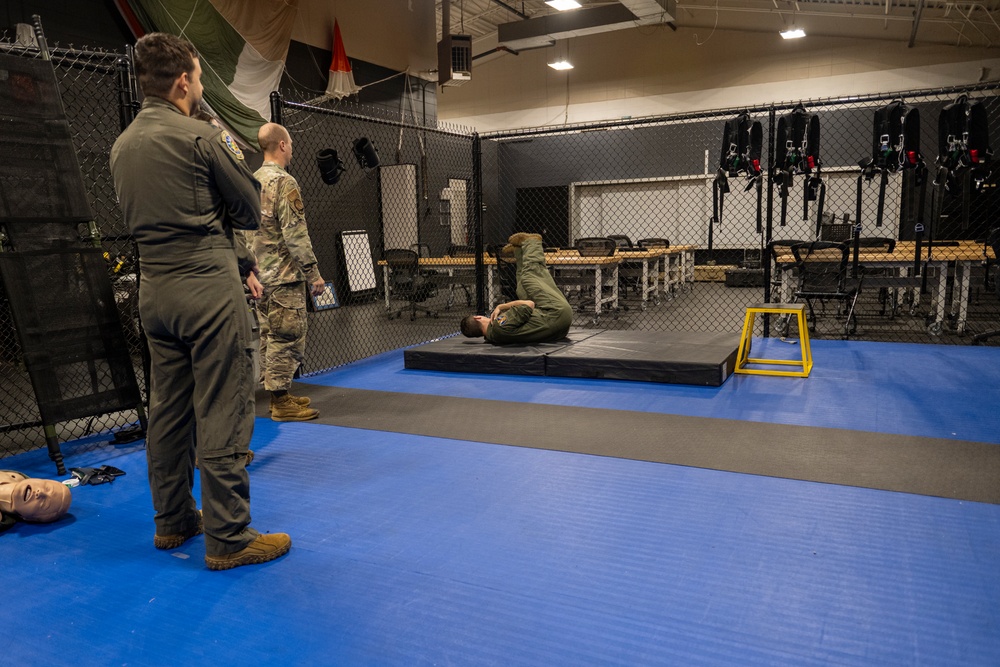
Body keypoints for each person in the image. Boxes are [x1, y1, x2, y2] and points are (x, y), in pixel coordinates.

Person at [109, 32, 290, 571]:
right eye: (200, 79)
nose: (203, 87)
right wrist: (212, 126)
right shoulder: (200, 137)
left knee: (166, 410)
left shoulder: (121, 146)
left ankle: (173, 521)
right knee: (224, 406)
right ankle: (230, 537)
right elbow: (250, 209)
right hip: (207, 290)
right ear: (184, 81)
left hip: (155, 295)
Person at [240, 123, 325, 422]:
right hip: (285, 275)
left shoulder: (252, 181)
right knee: (288, 336)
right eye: (290, 143)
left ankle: (280, 394)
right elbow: (295, 233)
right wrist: (313, 273)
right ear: (282, 145)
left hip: (259, 275)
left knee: (268, 335)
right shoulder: (284, 182)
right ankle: (280, 403)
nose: (292, 148)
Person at [460, 233, 573, 344]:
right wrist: (501, 306)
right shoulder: (498, 324)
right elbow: (529, 304)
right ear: (477, 318)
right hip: (557, 313)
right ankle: (533, 242)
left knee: (522, 291)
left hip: (559, 328)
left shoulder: (494, 336)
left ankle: (518, 251)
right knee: (528, 278)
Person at [0, 471, 72, 531]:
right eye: (47, 488)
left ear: (28, 518)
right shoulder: (11, 475)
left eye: (44, 504)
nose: (40, 493)